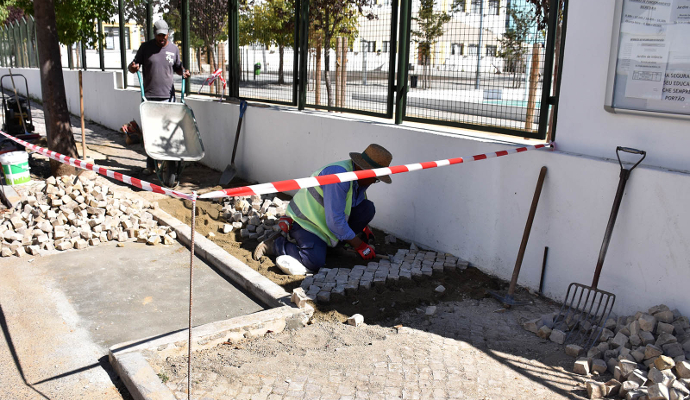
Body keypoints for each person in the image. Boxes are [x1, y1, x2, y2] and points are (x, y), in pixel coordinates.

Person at [253, 144, 393, 272]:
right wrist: (360, 245)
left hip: (326, 222)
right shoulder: (340, 177)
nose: (375, 182)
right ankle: (276, 244)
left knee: (367, 209)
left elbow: (355, 204)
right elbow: (335, 222)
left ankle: (333, 247)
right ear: (365, 170)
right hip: (306, 223)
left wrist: (363, 228)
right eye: (376, 178)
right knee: (314, 262)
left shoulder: (358, 178)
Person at [128, 19, 191, 174]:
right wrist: (132, 67)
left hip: (168, 97)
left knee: (169, 130)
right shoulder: (145, 48)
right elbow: (133, 66)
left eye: (164, 35)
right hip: (149, 97)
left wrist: (184, 72)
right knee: (151, 132)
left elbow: (178, 67)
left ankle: (170, 161)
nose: (161, 38)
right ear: (154, 33)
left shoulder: (174, 49)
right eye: (158, 35)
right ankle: (150, 165)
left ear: (168, 33)